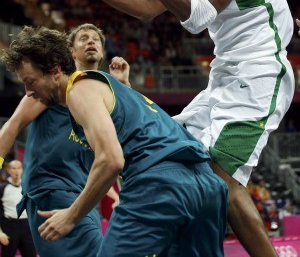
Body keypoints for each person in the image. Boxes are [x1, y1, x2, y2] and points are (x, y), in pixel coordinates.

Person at [53, 0, 294, 257]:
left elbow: (196, 17)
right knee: (179, 156)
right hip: (225, 74)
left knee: (219, 177)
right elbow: (149, 7)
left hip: (261, 73)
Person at [1, 26, 228, 257]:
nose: (27, 91)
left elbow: (111, 160)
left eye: (30, 82)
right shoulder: (114, 87)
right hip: (207, 185)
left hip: (159, 185)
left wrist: (71, 216)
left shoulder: (78, 91)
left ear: (56, 70)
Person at [0, 23, 129, 257]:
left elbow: (121, 143)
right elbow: (12, 126)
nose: (91, 41)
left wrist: (122, 88)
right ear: (70, 52)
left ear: (102, 52)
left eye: (96, 39)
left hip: (82, 193)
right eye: (83, 39)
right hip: (51, 188)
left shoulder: (98, 92)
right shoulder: (49, 87)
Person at [0, 160, 36, 257]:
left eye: (19, 168)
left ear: (22, 170)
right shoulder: (2, 188)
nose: (16, 171)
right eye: (13, 168)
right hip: (9, 226)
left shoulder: (29, 187)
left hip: (27, 226)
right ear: (8, 170)